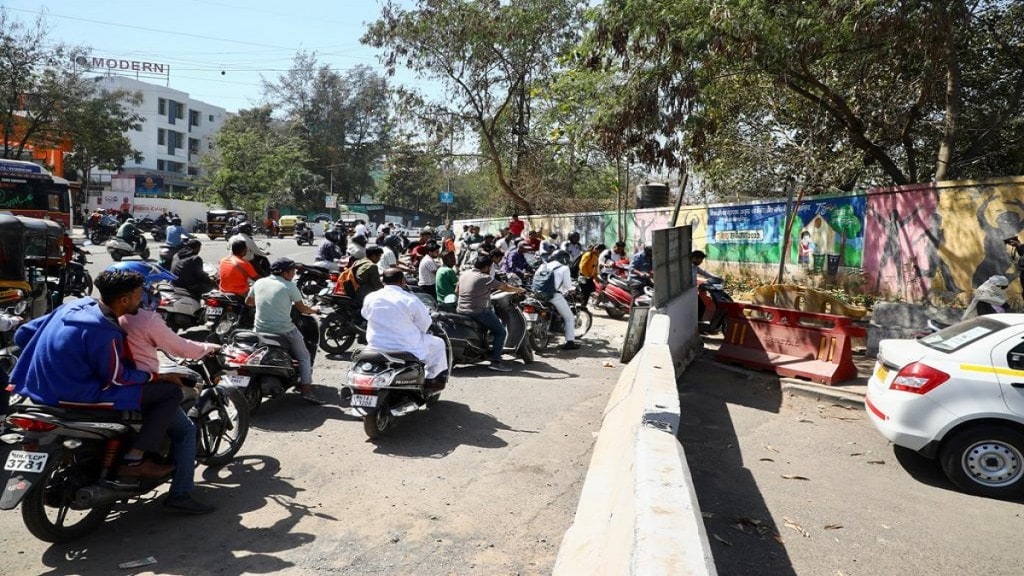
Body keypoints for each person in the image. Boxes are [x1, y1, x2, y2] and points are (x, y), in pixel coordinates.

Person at [10, 270, 183, 483]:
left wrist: (56, 359)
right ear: (124, 299)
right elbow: (117, 379)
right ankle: (134, 461)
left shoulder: (71, 306)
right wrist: (156, 377)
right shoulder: (105, 331)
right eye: (139, 295)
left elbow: (22, 335)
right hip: (76, 396)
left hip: (38, 389)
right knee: (170, 393)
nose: (141, 300)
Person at [111, 262, 221, 514]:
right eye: (151, 289)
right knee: (186, 430)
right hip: (136, 385)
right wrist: (206, 348)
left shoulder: (106, 313)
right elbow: (180, 348)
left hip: (108, 384)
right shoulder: (145, 319)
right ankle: (180, 493)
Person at [246, 258, 323, 404]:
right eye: (293, 271)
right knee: (304, 357)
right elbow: (302, 309)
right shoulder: (288, 286)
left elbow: (248, 302)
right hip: (284, 330)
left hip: (259, 330)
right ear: (285, 272)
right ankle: (306, 389)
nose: (294, 274)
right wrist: (315, 310)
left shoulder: (259, 282)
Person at [362, 268, 449, 387]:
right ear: (403, 281)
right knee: (438, 343)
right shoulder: (410, 299)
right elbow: (425, 325)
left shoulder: (371, 297)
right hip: (405, 347)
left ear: (383, 281)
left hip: (375, 345)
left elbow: (365, 315)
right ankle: (431, 381)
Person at [456, 255, 525, 372]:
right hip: (478, 311)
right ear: (487, 267)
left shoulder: (465, 274)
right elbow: (505, 287)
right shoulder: (485, 278)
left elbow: (457, 291)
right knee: (500, 332)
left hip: (461, 309)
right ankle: (496, 362)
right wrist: (519, 290)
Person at [538, 250, 580, 350]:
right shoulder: (564, 268)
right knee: (569, 317)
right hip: (552, 295)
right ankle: (570, 342)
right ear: (564, 259)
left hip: (537, 294)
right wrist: (572, 289)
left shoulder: (543, 266)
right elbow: (567, 286)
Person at [691, 250, 723, 321]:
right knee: (701, 305)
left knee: (702, 304)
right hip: (688, 292)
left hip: (693, 291)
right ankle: (697, 322)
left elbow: (705, 273)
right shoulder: (688, 267)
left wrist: (717, 278)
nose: (701, 262)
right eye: (700, 259)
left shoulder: (695, 267)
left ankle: (698, 322)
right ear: (694, 258)